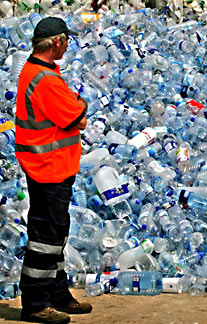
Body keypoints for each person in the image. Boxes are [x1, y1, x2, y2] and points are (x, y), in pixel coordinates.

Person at [15, 17, 92, 324]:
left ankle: (58, 294)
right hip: (48, 168)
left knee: (57, 232)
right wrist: (80, 104)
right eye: (67, 41)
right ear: (57, 42)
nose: (67, 46)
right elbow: (78, 117)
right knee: (46, 236)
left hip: (50, 166)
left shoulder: (40, 72)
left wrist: (76, 106)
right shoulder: (44, 80)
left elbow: (72, 111)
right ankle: (35, 302)